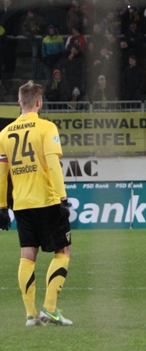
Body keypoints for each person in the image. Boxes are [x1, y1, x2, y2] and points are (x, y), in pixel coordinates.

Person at [0, 81, 73, 326]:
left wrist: (2, 206)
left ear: (19, 102)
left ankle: (31, 315)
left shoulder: (4, 133)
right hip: (47, 200)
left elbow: (1, 175)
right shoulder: (46, 127)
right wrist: (62, 198)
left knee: (27, 255)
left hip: (21, 203)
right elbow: (53, 165)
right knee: (63, 251)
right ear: (39, 103)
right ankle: (50, 308)